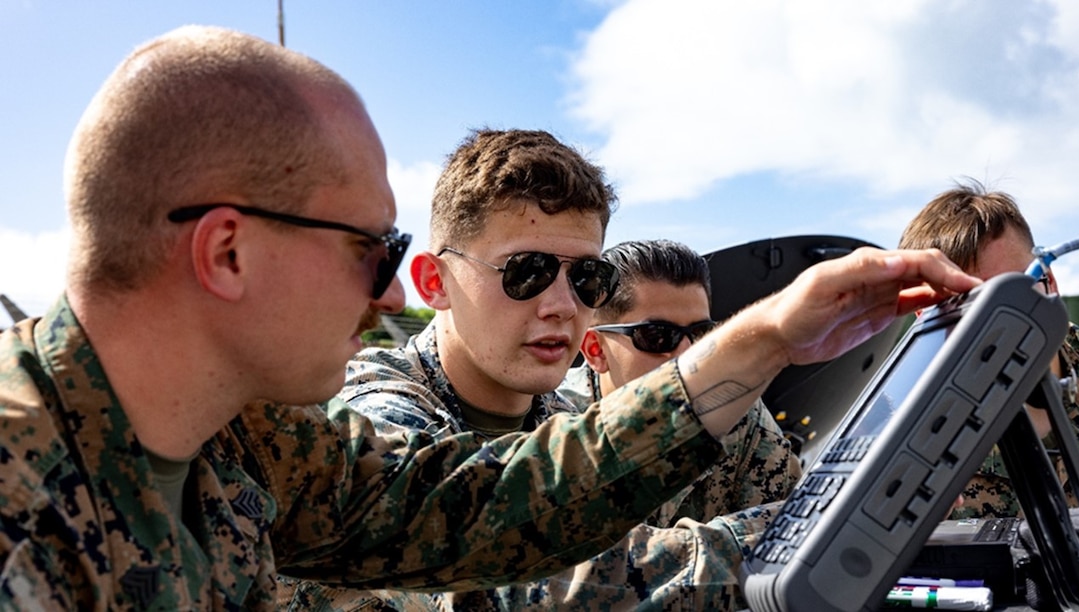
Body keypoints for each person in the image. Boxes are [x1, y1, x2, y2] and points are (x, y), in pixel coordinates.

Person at [0, 26, 979, 610]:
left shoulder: (249, 441)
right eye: (365, 251)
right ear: (226, 251)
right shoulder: (19, 496)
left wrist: (766, 339)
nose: (386, 297)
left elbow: (480, 511)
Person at [279, 130, 972, 611]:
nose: (560, 304)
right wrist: (825, 529)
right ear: (433, 282)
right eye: (525, 272)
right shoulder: (375, 407)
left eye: (586, 276)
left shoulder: (564, 423)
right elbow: (504, 585)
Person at [560, 238, 801, 527]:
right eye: (657, 336)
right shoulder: (558, 431)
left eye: (700, 335)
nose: (689, 355)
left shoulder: (736, 413)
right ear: (596, 350)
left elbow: (791, 528)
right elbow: (599, 567)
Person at [899, 178, 1079, 519]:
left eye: (1012, 292)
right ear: (924, 318)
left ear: (1050, 283)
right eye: (965, 306)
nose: (998, 326)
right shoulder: (906, 444)